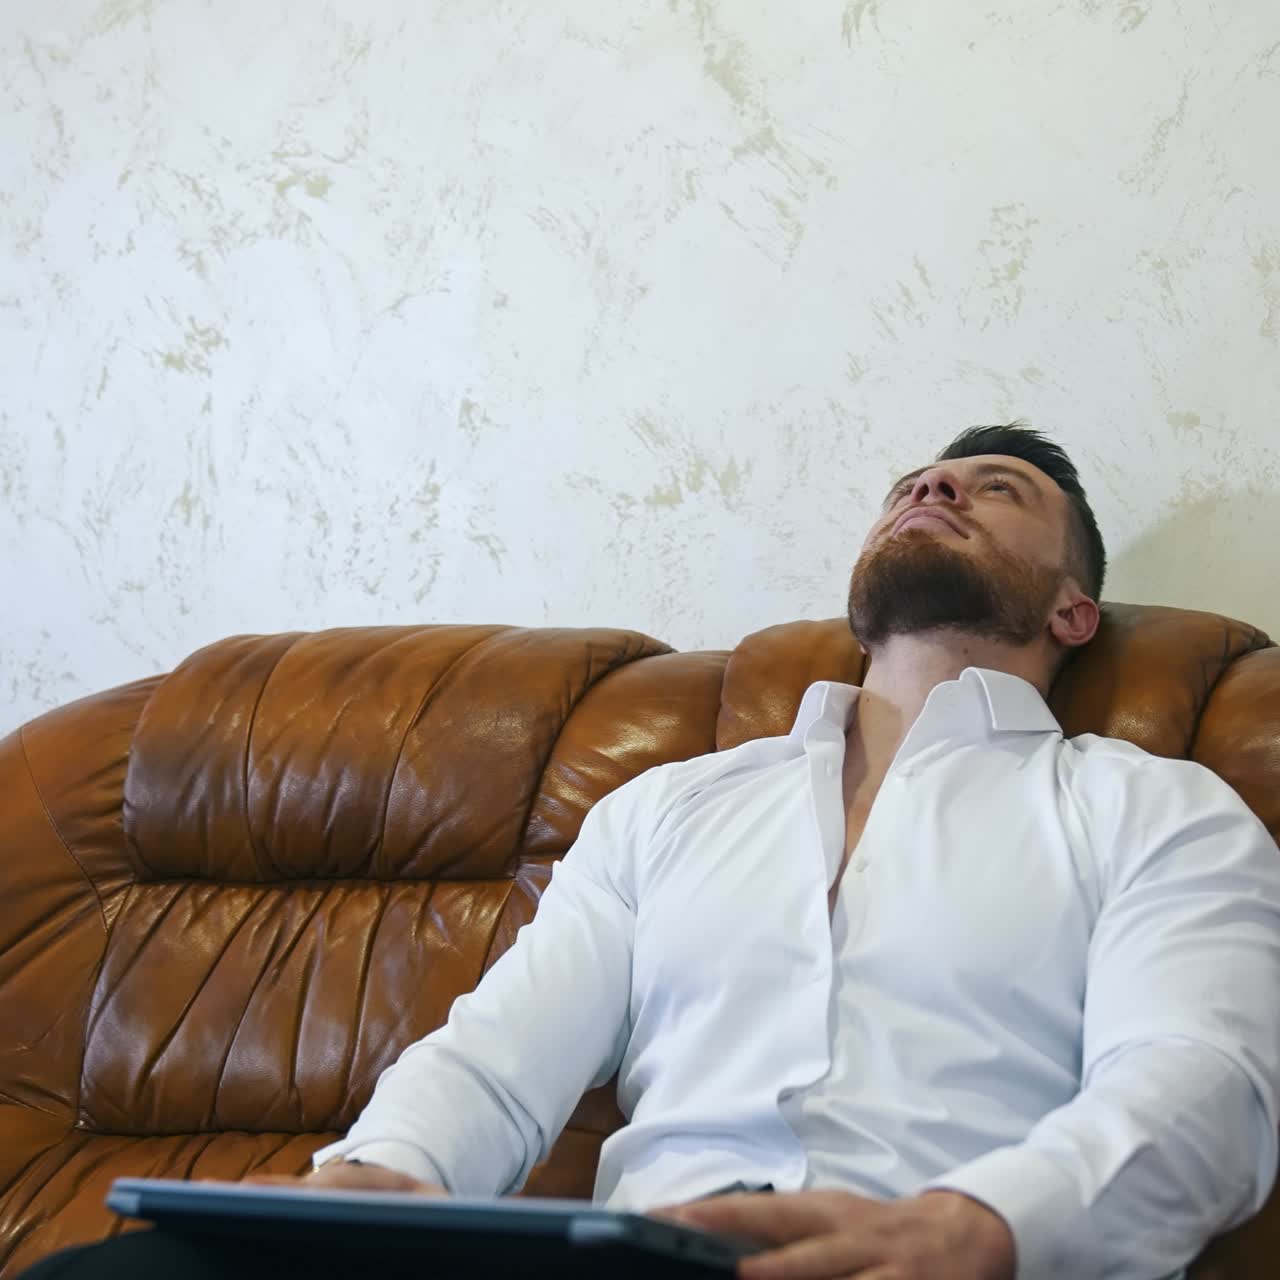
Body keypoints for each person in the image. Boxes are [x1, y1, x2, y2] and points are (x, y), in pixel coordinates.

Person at [22, 424, 1280, 1280]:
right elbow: (499, 1055)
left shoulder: (1153, 809)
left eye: (993, 486)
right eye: (914, 482)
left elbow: (1201, 1088)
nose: (933, 487)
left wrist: (977, 1226)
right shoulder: (664, 806)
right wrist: (382, 1174)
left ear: (1073, 608)